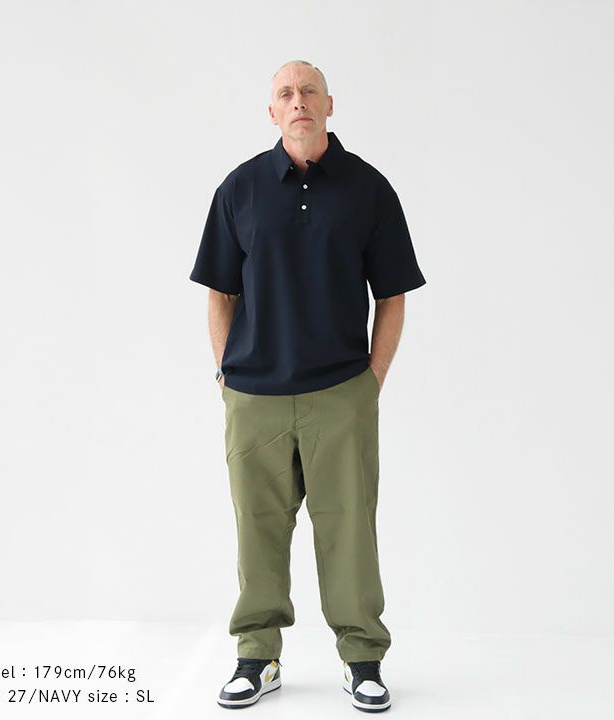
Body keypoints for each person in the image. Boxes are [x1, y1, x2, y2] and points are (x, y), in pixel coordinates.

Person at [189, 59, 426, 712]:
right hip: (254, 398)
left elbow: (393, 294)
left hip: (339, 393)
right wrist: (227, 376)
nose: (298, 101)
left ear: (329, 105)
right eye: (286, 94)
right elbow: (219, 292)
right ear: (272, 111)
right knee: (257, 530)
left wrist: (370, 381)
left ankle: (362, 658)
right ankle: (256, 657)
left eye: (309, 91)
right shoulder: (239, 189)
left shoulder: (368, 189)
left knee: (349, 529)